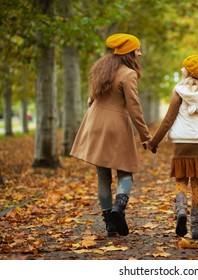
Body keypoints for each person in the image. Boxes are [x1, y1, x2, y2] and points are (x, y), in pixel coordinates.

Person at [70, 33, 152, 237]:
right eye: (137, 50)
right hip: (116, 126)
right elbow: (134, 108)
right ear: (129, 53)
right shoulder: (128, 74)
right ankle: (119, 208)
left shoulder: (101, 68)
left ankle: (109, 224)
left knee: (103, 176)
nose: (140, 54)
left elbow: (91, 100)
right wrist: (145, 136)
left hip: (95, 123)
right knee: (125, 172)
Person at [147, 53, 198, 239]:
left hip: (182, 143)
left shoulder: (179, 91)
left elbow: (168, 120)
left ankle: (181, 211)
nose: (181, 70)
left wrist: (154, 142)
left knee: (181, 179)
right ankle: (196, 225)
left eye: (183, 67)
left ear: (189, 71)